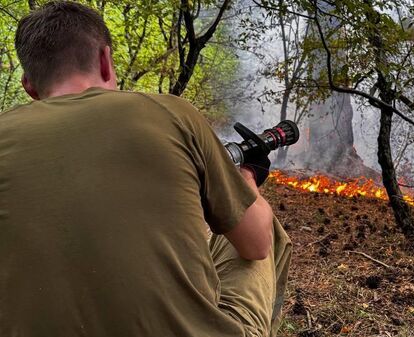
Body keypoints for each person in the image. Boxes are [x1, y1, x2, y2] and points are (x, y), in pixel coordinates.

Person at [0, 2, 291, 336]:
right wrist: (248, 179)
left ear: (29, 86)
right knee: (260, 222)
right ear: (106, 62)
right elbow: (255, 244)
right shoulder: (170, 114)